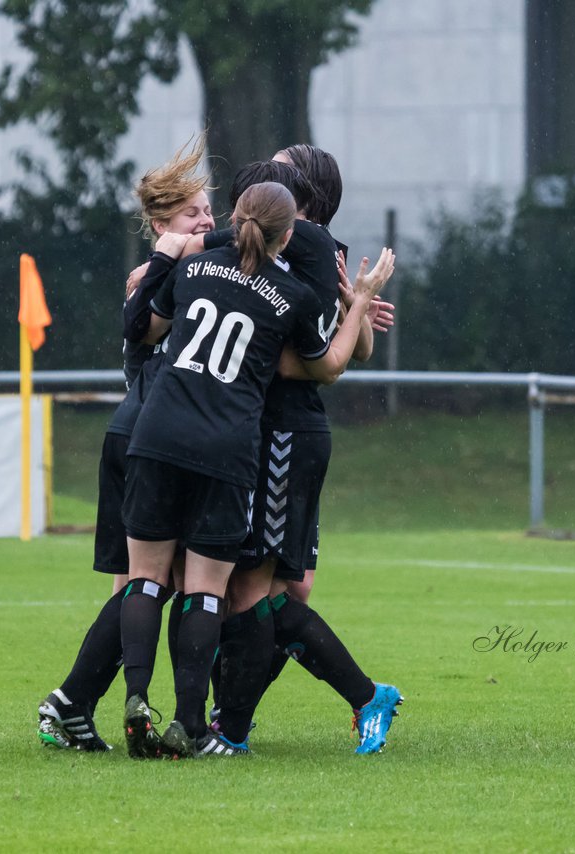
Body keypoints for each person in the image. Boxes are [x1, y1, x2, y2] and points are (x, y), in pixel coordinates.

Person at [118, 182, 395, 759]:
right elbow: (333, 365)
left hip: (162, 432)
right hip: (228, 445)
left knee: (149, 581)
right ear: (288, 234)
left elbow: (144, 326)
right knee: (217, 591)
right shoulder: (290, 293)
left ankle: (142, 700)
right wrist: (361, 299)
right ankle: (201, 726)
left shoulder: (196, 270)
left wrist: (157, 266)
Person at [209, 146, 404, 755]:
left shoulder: (315, 248)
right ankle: (231, 718)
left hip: (284, 433)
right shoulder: (276, 244)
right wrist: (357, 307)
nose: (268, 175)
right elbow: (352, 345)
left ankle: (233, 724)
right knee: (278, 593)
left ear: (306, 194)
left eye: (282, 170)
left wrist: (356, 308)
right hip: (271, 433)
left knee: (258, 593)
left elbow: (346, 357)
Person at [36, 137, 214, 752]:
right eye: (194, 213)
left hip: (145, 437)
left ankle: (73, 705)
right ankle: (69, 702)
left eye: (210, 212)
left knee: (138, 588)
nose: (208, 223)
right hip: (144, 440)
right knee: (152, 585)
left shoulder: (177, 272)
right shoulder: (157, 277)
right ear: (162, 224)